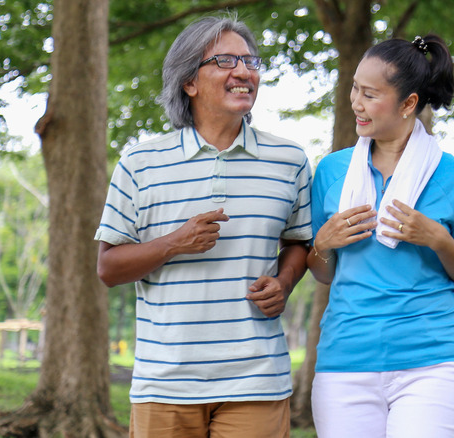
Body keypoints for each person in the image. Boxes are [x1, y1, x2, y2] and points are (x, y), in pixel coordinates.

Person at [94, 14, 311, 438]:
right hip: (165, 382)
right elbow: (108, 268)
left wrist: (284, 281)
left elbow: (300, 242)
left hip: (257, 380)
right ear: (188, 82)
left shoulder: (290, 160)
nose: (244, 71)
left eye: (250, 61)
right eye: (226, 61)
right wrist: (174, 243)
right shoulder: (139, 164)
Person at [307, 34, 454, 438]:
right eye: (355, 88)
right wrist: (322, 245)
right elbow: (322, 273)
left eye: (370, 94)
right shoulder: (331, 171)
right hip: (345, 362)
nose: (355, 102)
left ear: (409, 103)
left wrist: (438, 240)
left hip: (430, 365)